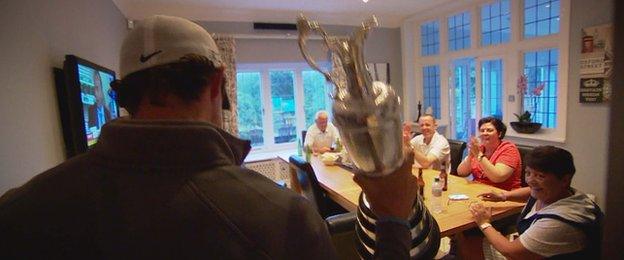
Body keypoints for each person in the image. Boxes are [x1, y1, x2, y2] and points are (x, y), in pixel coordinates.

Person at [0, 15, 416, 258]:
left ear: (122, 92)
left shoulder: (19, 211)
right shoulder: (281, 217)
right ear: (219, 82)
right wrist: (393, 219)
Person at [470, 146, 603, 259]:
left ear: (564, 180)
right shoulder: (556, 192)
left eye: (540, 176)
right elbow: (531, 191)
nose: (531, 180)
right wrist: (504, 196)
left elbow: (510, 252)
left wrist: (484, 223)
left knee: (470, 237)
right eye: (528, 173)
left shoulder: (559, 222)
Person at [457, 116, 522, 190]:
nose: (485, 133)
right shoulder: (480, 148)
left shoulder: (509, 149)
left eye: (489, 130)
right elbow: (461, 172)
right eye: (482, 130)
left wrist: (478, 155)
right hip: (479, 190)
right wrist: (471, 155)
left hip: (504, 195)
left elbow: (497, 177)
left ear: (499, 134)